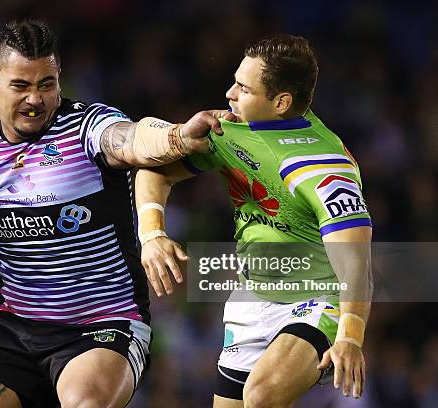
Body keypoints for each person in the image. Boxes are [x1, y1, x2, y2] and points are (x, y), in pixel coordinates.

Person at [0, 19, 234, 408]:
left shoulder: (85, 127)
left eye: (46, 84)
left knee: (84, 403)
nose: (35, 99)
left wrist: (179, 135)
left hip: (104, 323)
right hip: (16, 324)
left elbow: (132, 139)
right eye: (21, 85)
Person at [135, 34, 372, 408]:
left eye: (243, 88)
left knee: (260, 396)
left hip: (317, 297)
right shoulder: (227, 130)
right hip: (251, 297)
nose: (229, 94)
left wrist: (350, 338)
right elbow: (154, 172)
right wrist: (153, 234)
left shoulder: (325, 168)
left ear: (280, 102)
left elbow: (356, 265)